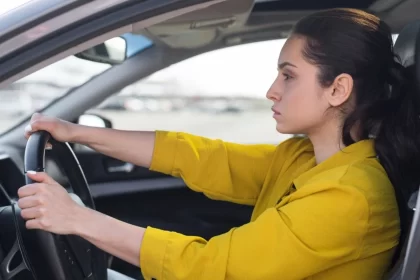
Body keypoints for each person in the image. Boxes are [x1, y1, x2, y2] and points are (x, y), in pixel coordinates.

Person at [17, 8, 420, 280]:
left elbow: (212, 268)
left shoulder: (352, 195)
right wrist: (77, 132)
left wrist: (77, 219)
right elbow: (204, 158)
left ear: (338, 89)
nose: (271, 91)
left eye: (288, 76)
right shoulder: (305, 158)